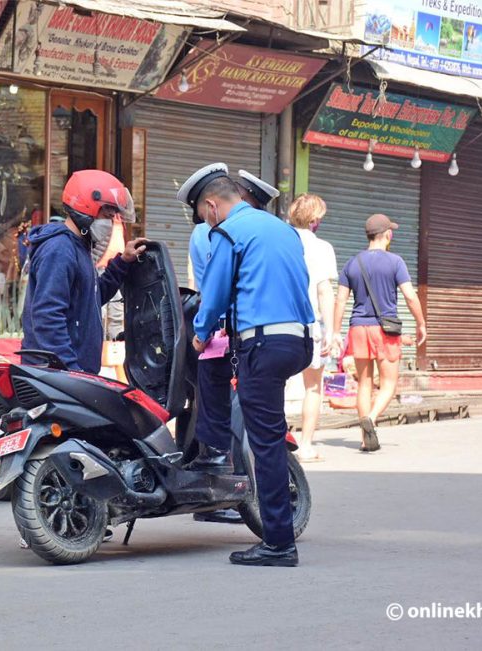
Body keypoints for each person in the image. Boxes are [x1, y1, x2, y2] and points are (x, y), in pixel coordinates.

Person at [187, 166, 314, 567]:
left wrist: (201, 332)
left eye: (205, 215)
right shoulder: (283, 229)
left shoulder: (227, 232)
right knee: (269, 433)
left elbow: (216, 293)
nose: (207, 222)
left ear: (212, 205)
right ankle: (276, 530)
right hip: (298, 341)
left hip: (263, 344)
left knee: (266, 446)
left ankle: (278, 543)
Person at [183, 165, 279, 525]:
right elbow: (217, 289)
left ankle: (216, 469)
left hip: (228, 330)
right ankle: (222, 478)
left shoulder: (236, 229)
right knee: (232, 412)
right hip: (225, 332)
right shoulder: (218, 232)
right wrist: (205, 329)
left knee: (215, 406)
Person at [21, 170, 146, 373]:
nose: (109, 223)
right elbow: (47, 317)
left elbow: (91, 299)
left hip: (72, 373)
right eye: (107, 215)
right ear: (86, 209)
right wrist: (71, 370)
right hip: (56, 375)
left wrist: (122, 262)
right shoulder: (59, 250)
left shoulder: (80, 247)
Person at [331, 214, 427, 452]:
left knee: (364, 383)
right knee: (389, 385)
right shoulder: (395, 262)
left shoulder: (352, 263)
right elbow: (410, 296)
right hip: (384, 330)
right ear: (387, 234)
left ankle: (366, 439)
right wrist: (421, 323)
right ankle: (371, 419)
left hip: (358, 328)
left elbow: (340, 301)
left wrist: (335, 331)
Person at [289, 194, 337, 463]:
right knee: (313, 387)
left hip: (279, 323)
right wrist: (331, 331)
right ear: (315, 219)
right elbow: (324, 291)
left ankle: (274, 442)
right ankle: (305, 446)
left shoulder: (279, 241)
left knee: (274, 385)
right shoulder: (322, 248)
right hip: (311, 325)